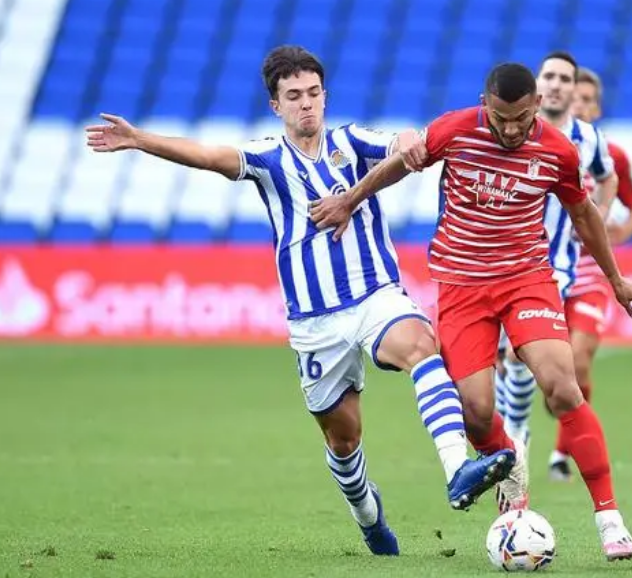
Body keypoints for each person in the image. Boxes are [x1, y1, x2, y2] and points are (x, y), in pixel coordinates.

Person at [84, 45, 515, 557]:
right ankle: (368, 515)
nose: (306, 104)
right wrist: (138, 140)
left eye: (313, 94)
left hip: (375, 294)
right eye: (293, 96)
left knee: (421, 345)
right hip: (314, 322)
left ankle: (456, 469)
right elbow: (207, 156)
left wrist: (414, 144)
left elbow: (399, 140)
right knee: (343, 439)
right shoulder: (267, 159)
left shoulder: (351, 142)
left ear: (324, 96)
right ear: (276, 105)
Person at [310, 62, 632, 561]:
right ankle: (511, 472)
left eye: (519, 119)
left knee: (563, 384)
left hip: (526, 280)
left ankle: (610, 518)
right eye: (499, 118)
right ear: (484, 103)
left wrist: (616, 279)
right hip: (462, 287)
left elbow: (584, 213)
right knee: (476, 412)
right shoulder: (456, 129)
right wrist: (351, 200)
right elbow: (400, 164)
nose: (509, 130)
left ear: (535, 106)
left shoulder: (557, 150)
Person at [494, 52, 618, 460]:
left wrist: (596, 218)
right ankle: (508, 425)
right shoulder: (511, 129)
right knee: (496, 360)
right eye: (550, 76)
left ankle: (516, 431)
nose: (558, 84)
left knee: (519, 351)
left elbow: (607, 174)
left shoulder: (589, 138)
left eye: (566, 78)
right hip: (499, 261)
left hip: (554, 264)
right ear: (538, 85)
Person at [548, 66, 632, 482]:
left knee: (579, 359)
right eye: (577, 99)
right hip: (547, 267)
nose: (582, 106)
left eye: (589, 101)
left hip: (590, 271)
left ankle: (561, 452)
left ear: (597, 106)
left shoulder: (611, 155)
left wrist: (614, 229)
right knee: (546, 368)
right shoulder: (544, 143)